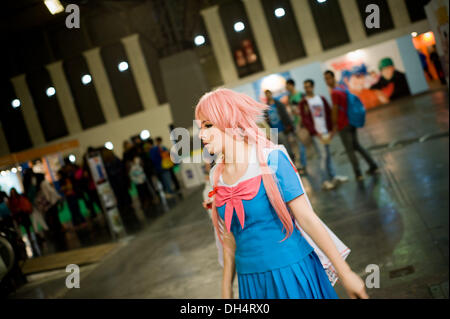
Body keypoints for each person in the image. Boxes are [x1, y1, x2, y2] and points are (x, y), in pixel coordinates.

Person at [196, 88, 367, 299]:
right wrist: (226, 291)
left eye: (207, 125)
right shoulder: (216, 175)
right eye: (199, 127)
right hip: (250, 282)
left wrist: (346, 273)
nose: (201, 135)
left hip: (290, 272)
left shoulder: (272, 159)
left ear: (229, 121)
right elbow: (229, 237)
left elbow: (307, 218)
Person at [324, 70, 379, 181]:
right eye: (325, 79)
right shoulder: (343, 87)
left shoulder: (334, 92)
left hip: (343, 124)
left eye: (329, 78)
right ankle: (373, 165)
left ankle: (358, 174)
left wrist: (334, 124)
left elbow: (335, 109)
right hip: (351, 120)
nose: (327, 81)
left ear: (333, 77)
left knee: (350, 150)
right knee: (356, 146)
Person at [299, 79, 348, 190]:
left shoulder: (321, 99)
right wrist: (315, 132)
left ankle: (334, 176)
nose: (307, 89)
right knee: (323, 156)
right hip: (317, 134)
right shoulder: (304, 102)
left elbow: (328, 112)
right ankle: (324, 181)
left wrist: (331, 128)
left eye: (308, 86)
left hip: (325, 131)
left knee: (328, 154)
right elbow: (305, 119)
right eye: (305, 87)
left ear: (313, 87)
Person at [263, 90, 297, 165]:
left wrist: (289, 126)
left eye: (269, 94)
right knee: (278, 151)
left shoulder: (278, 104)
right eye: (266, 95)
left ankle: (293, 164)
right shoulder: (266, 108)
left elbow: (285, 115)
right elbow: (266, 120)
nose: (268, 96)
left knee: (288, 149)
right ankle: (286, 165)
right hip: (273, 131)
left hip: (282, 128)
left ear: (271, 94)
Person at [286, 79, 308, 175]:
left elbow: (305, 108)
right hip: (296, 124)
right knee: (301, 146)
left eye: (287, 85)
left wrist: (304, 120)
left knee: (307, 144)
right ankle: (303, 165)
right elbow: (292, 110)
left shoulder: (301, 95)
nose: (287, 88)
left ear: (292, 85)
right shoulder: (290, 97)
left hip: (304, 123)